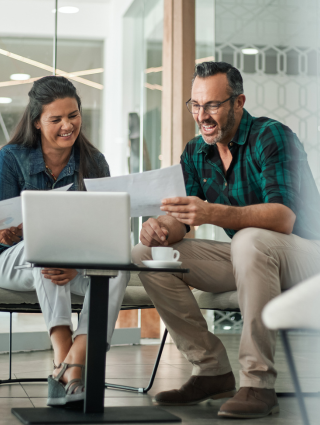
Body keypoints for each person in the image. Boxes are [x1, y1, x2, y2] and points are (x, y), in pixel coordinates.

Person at [132, 61, 320, 419]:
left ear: (238, 102)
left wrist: (211, 212)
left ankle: (258, 383)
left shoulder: (271, 136)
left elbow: (283, 217)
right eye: (196, 105)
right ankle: (211, 370)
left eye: (213, 105)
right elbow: (185, 220)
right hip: (252, 257)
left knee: (249, 239)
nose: (203, 115)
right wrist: (160, 227)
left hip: (307, 255)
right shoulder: (195, 152)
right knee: (147, 254)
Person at [0, 76, 130, 407]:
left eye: (73, 115)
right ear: (37, 121)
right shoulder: (13, 157)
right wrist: (8, 229)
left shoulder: (94, 161)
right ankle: (66, 359)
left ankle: (75, 362)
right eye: (56, 119)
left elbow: (102, 228)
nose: (67, 125)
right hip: (5, 259)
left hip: (69, 260)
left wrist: (77, 262)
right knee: (49, 252)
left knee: (118, 269)